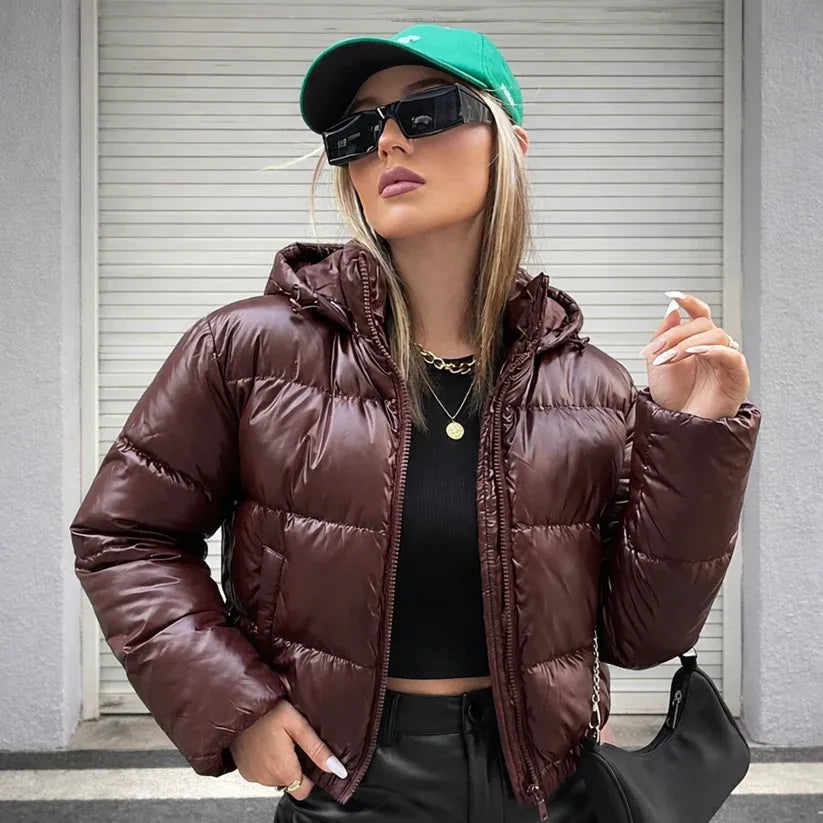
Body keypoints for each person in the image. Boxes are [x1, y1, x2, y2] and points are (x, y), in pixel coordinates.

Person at [70, 23, 762, 823]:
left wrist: (694, 432)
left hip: (547, 787)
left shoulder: (589, 385)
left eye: (427, 110)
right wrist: (239, 704)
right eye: (357, 130)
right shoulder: (250, 350)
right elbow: (125, 535)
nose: (388, 141)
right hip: (351, 784)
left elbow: (645, 633)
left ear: (511, 145)